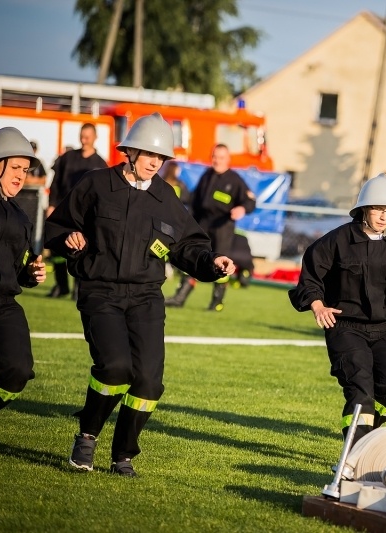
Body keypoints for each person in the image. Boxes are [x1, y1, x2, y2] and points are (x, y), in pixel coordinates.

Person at [44, 113, 236, 476]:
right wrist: (68, 240)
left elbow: (188, 246)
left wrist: (212, 263)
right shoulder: (96, 184)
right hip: (100, 291)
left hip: (147, 297)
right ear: (129, 151)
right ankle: (87, 435)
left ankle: (123, 455)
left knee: (149, 381)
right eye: (148, 154)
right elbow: (58, 224)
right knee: (115, 367)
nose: (154, 162)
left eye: (161, 157)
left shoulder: (166, 198)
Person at [288, 173, 386, 446]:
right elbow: (310, 275)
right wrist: (317, 304)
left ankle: (368, 429)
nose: (384, 217)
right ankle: (356, 455)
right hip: (345, 328)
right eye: (378, 209)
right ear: (364, 209)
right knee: (361, 393)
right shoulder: (337, 240)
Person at [0, 127, 47, 460]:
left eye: (25, 169)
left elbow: (21, 262)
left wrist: (31, 273)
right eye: (15, 168)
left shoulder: (20, 215)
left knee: (17, 371)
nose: (22, 175)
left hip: (4, 303)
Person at [165, 144, 255, 311]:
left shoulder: (235, 180)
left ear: (228, 159)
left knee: (220, 263)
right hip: (203, 224)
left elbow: (250, 201)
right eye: (214, 156)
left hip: (222, 227)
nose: (217, 161)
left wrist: (242, 209)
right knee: (193, 257)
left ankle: (216, 302)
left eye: (221, 157)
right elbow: (194, 199)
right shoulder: (207, 175)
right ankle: (180, 297)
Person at [46, 123, 108, 299]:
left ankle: (77, 288)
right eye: (82, 135)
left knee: (81, 248)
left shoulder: (100, 164)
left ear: (95, 138)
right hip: (63, 210)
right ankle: (61, 285)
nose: (84, 139)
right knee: (57, 247)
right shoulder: (67, 157)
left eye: (87, 136)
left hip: (85, 214)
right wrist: (52, 205)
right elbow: (56, 182)